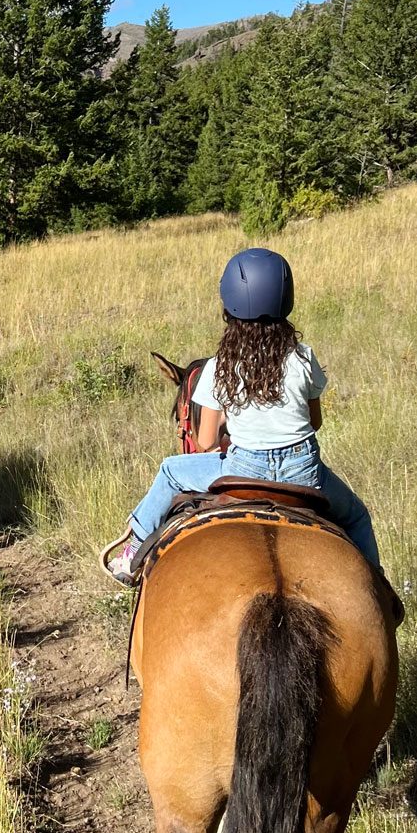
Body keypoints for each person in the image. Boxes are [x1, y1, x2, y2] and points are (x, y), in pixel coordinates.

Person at [104, 247, 382, 587]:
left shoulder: (218, 366)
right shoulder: (303, 357)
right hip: (304, 474)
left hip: (243, 470)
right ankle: (377, 587)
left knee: (170, 471)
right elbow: (315, 423)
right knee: (356, 515)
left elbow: (205, 442)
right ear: (286, 300)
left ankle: (131, 555)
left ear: (229, 305)